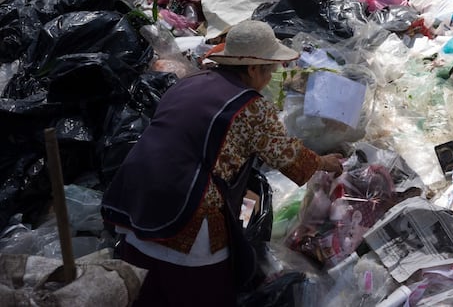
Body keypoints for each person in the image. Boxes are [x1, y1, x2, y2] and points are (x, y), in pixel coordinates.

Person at [101, 20, 343, 307]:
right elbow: (288, 157)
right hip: (184, 206)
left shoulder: (190, 82)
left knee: (149, 290)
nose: (271, 77)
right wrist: (326, 162)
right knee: (203, 290)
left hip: (134, 192)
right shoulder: (251, 106)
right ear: (253, 68)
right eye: (270, 69)